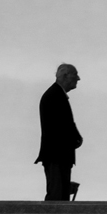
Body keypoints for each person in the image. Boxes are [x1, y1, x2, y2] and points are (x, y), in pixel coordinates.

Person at [35, 63, 83, 201]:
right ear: (65, 76)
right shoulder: (55, 95)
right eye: (75, 74)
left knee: (59, 194)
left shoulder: (55, 94)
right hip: (57, 155)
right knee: (57, 197)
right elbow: (62, 125)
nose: (78, 78)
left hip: (58, 155)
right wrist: (76, 139)